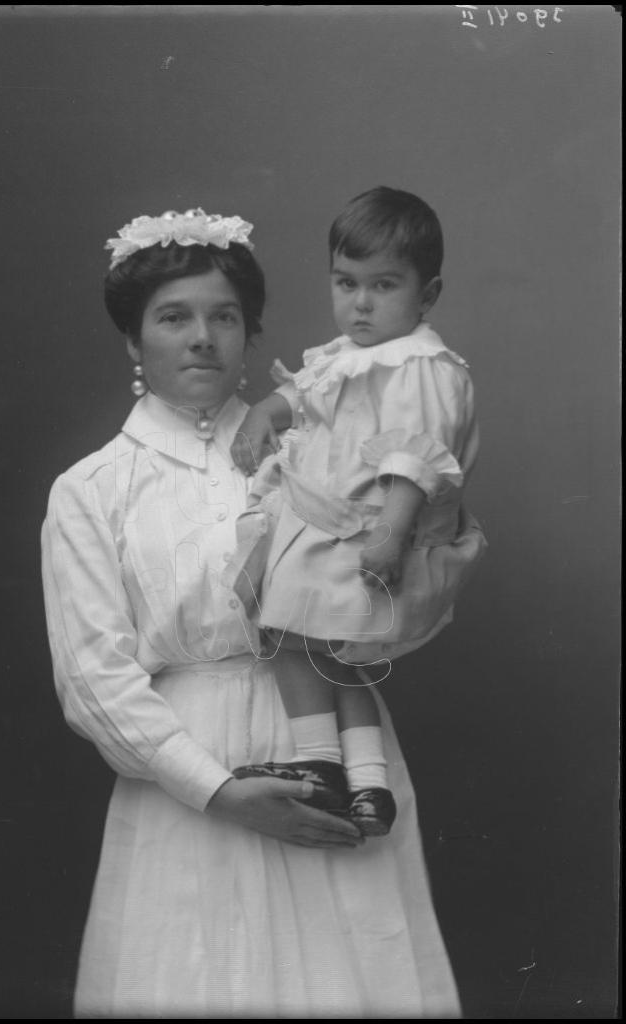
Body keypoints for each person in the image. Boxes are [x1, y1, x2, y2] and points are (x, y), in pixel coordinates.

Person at [41, 207, 462, 1018]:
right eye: (173, 318)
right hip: (190, 776)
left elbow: (394, 588)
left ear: (251, 333)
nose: (202, 337)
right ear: (134, 342)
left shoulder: (329, 448)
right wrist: (217, 791)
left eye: (224, 316)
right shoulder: (92, 490)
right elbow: (95, 680)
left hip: (338, 747)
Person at [226, 187, 487, 837]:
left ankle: (320, 763)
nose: (361, 303)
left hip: (365, 538)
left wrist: (393, 533)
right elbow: (305, 393)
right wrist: (266, 410)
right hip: (328, 532)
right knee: (333, 660)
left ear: (426, 295)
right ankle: (369, 783)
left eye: (384, 285)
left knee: (290, 639)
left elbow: (415, 458)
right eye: (346, 283)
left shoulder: (421, 367)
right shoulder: (351, 355)